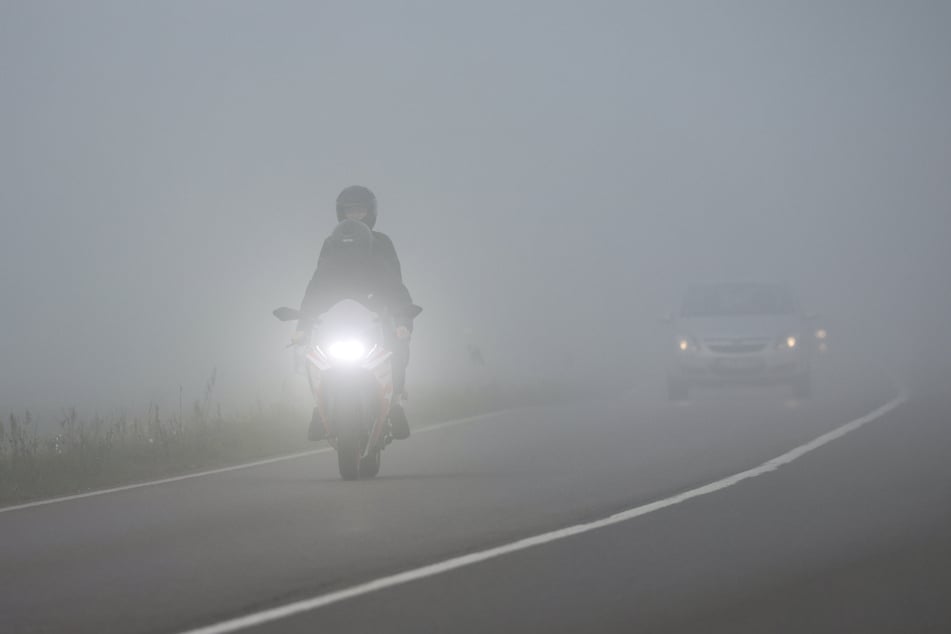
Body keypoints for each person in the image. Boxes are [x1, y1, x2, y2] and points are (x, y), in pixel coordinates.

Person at [295, 185, 418, 440]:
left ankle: (395, 404)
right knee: (313, 351)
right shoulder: (330, 244)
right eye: (350, 211)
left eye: (360, 210)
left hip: (376, 314)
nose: (355, 216)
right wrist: (303, 323)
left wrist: (402, 318)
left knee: (398, 341)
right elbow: (317, 283)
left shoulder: (382, 243)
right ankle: (319, 406)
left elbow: (395, 282)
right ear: (341, 214)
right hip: (337, 316)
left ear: (371, 212)